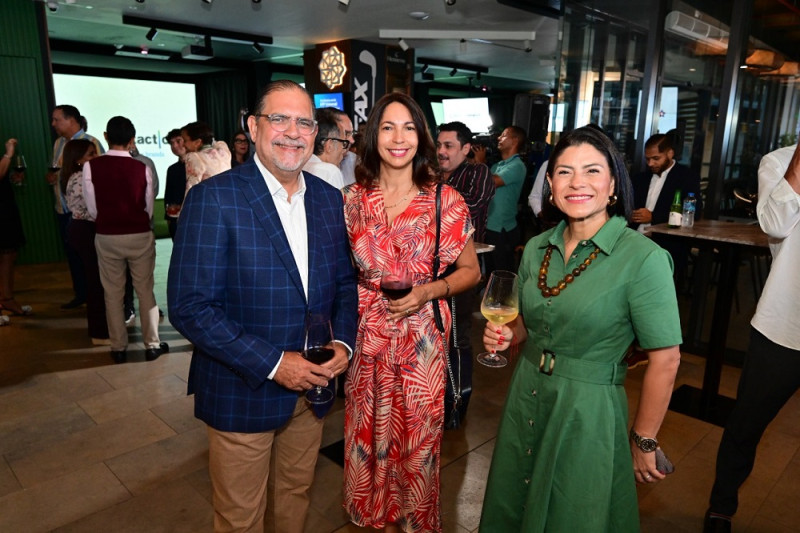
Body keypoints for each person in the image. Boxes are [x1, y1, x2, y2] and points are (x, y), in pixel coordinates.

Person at [168, 80, 358, 533]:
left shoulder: (329, 200)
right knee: (240, 517)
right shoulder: (214, 198)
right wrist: (274, 364)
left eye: (304, 122)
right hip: (242, 389)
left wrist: (344, 345)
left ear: (316, 133)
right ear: (253, 127)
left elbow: (345, 285)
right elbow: (190, 307)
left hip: (313, 389)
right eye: (279, 119)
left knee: (296, 496)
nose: (293, 132)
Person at [478, 126, 682, 532]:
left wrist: (644, 440)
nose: (577, 183)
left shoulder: (643, 258)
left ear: (612, 184)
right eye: (564, 172)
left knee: (574, 512)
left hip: (587, 410)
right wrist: (508, 333)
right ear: (551, 184)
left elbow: (666, 359)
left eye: (591, 171)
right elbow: (527, 325)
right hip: (525, 396)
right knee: (513, 504)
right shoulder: (536, 247)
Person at [342, 92, 481, 533]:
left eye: (407, 128)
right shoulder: (350, 201)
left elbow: (471, 271)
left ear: (420, 137)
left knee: (418, 445)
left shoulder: (446, 200)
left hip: (422, 344)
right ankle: (373, 519)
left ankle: (414, 521)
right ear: (372, 137)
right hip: (366, 340)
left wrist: (429, 291)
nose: (397, 138)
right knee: (367, 436)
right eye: (387, 127)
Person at [704, 142, 800, 533]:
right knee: (745, 426)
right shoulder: (779, 161)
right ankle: (721, 508)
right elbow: (774, 224)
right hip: (783, 326)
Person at [82, 116, 168, 365]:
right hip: (139, 234)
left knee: (112, 294)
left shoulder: (91, 166)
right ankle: (152, 345)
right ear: (132, 139)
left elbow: (92, 208)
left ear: (106, 136)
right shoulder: (142, 167)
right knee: (145, 291)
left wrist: (109, 221)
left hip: (107, 235)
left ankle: (118, 347)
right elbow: (148, 207)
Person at [48, 104, 105, 310]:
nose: (53, 124)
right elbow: (57, 172)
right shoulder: (58, 144)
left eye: (56, 119)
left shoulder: (92, 143)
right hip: (63, 209)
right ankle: (80, 294)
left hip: (88, 215)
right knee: (73, 255)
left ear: (71, 120)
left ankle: (97, 297)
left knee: (92, 258)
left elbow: (101, 176)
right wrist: (52, 178)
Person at [61, 139, 108, 344]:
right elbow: (94, 208)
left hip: (80, 228)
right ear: (78, 159)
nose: (96, 157)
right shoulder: (81, 178)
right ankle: (99, 332)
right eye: (91, 154)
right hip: (86, 229)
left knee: (95, 280)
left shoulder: (73, 176)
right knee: (96, 282)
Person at [475, 125, 527, 274]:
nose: (499, 138)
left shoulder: (517, 165)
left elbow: (491, 182)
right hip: (489, 227)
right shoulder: (498, 165)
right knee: (491, 270)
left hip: (502, 230)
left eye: (504, 135)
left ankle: (503, 298)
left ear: (515, 140)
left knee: (502, 273)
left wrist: (480, 163)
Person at [0, 137, 31, 322]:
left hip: (5, 209)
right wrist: (8, 154)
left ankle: (7, 298)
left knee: (9, 255)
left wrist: (12, 177)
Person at [181, 121, 231, 198]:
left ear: (198, 142)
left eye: (185, 140)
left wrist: (183, 209)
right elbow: (216, 142)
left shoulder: (194, 157)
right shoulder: (223, 151)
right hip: (228, 201)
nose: (183, 145)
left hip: (208, 204)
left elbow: (191, 189)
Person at [302, 107, 347, 189]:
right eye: (343, 143)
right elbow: (337, 202)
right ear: (329, 145)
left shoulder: (299, 166)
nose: (344, 150)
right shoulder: (330, 172)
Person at [163, 128, 187, 239]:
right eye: (172, 143)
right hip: (176, 221)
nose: (175, 146)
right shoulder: (172, 169)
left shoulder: (200, 164)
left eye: (178, 141)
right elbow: (168, 198)